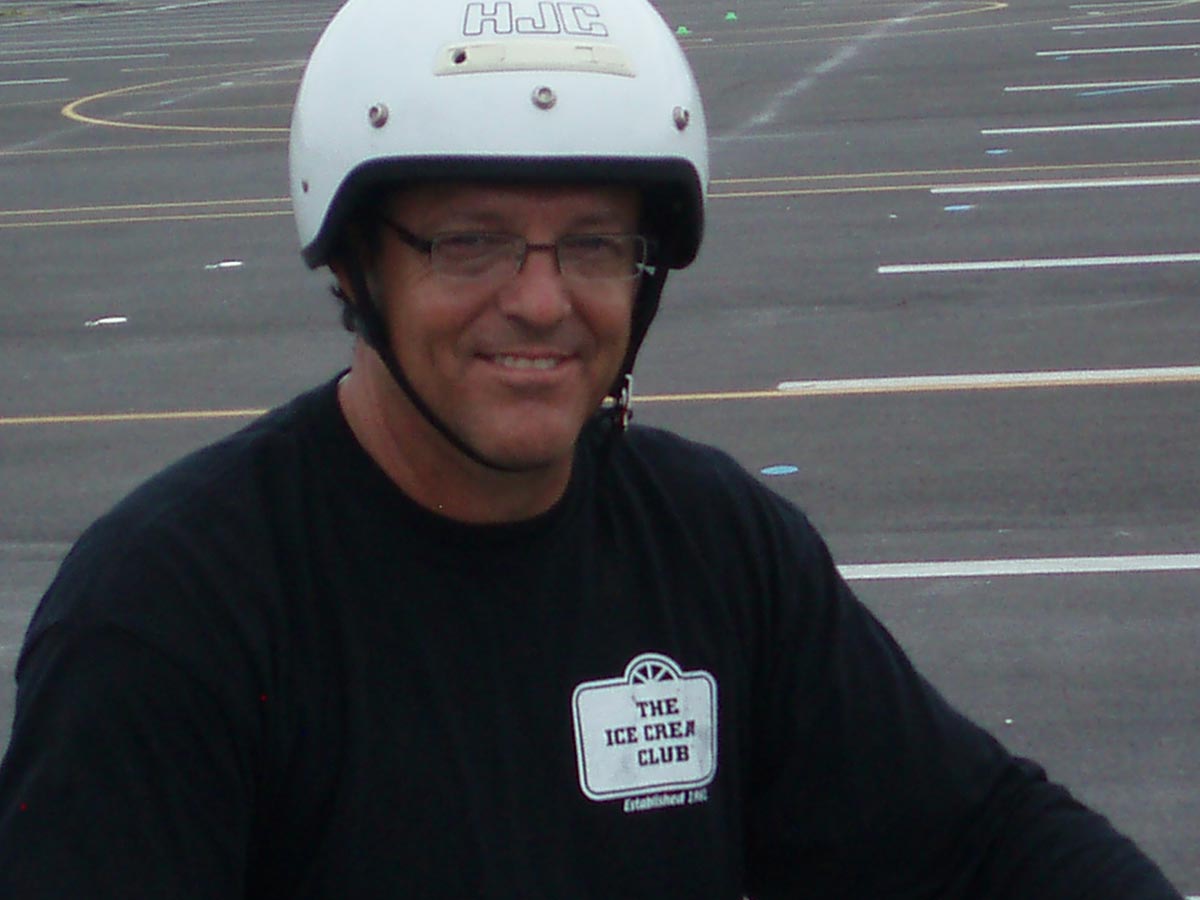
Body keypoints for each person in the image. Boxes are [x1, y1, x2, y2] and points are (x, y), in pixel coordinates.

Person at [0, 0, 1184, 896]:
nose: (540, 301)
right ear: (357, 267)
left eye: (593, 244)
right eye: (469, 242)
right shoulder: (172, 613)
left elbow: (975, 840)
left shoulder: (715, 545)